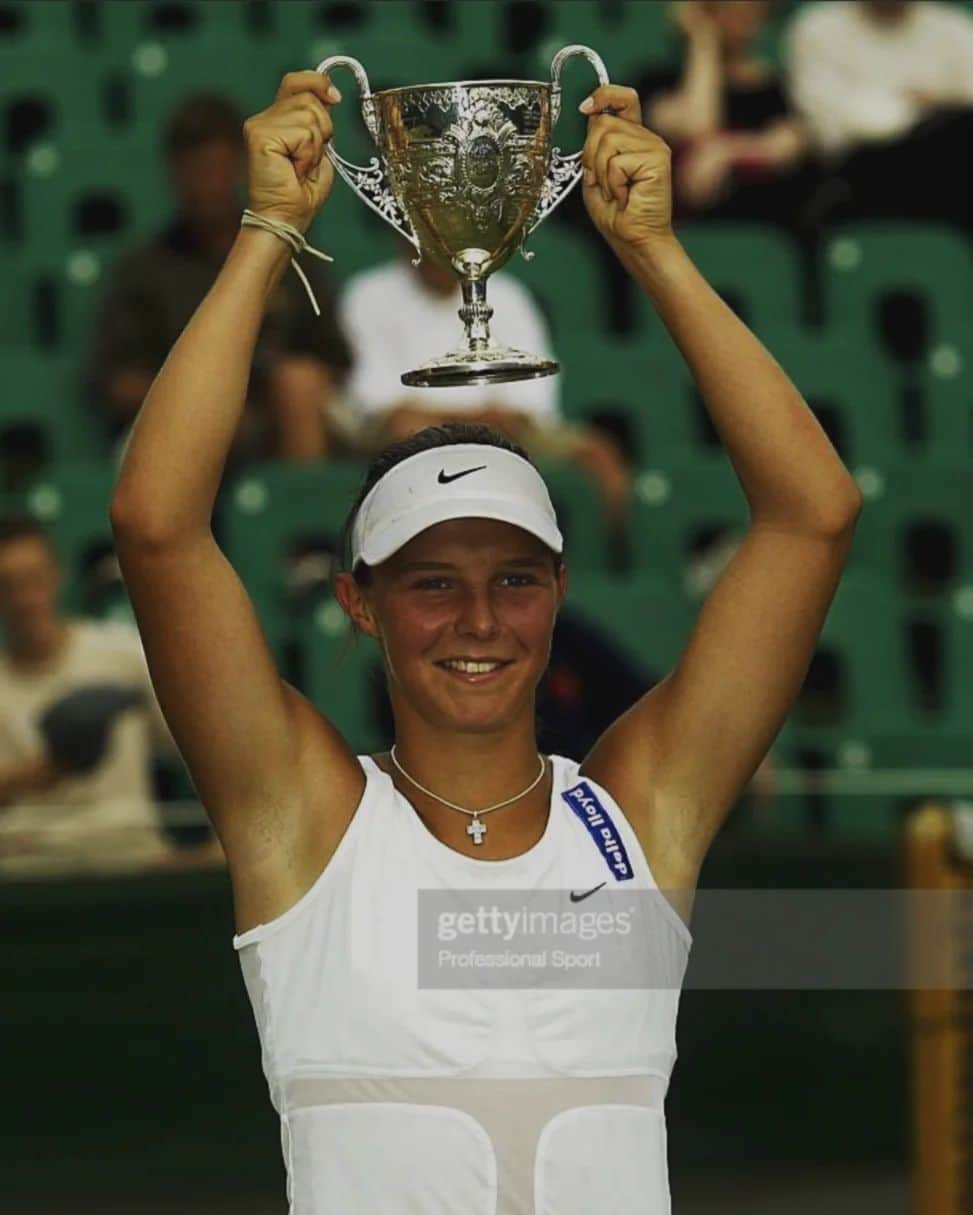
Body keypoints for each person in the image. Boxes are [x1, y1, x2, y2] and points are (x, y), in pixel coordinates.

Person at [108, 69, 861, 1211]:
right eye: (430, 582)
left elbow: (815, 515)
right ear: (362, 602)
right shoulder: (301, 821)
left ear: (557, 594)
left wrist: (654, 252)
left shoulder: (637, 817)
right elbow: (157, 530)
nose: (476, 620)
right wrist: (267, 232)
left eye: (512, 579)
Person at [83, 92, 353, 467]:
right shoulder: (143, 269)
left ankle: (303, 514)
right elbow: (117, 382)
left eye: (215, 168)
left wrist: (275, 387)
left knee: (299, 384)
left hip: (282, 416)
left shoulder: (291, 254)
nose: (206, 185)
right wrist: (210, 402)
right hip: (180, 419)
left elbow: (335, 361)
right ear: (173, 173)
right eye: (194, 171)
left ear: (241, 167)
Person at [338, 242, 634, 542]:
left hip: (502, 423)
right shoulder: (368, 293)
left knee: (600, 453)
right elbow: (376, 395)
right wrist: (462, 418)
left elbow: (533, 385)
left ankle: (612, 562)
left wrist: (498, 417)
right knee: (406, 427)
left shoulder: (508, 293)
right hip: (413, 427)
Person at [0, 515, 222, 877]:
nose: (24, 599)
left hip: (130, 863)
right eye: (7, 586)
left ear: (57, 576)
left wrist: (221, 845)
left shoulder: (123, 657)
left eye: (33, 580)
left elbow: (205, 745)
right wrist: (44, 771)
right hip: (25, 874)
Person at [786, 0, 973, 233]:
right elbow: (831, 130)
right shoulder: (818, 28)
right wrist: (919, 107)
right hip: (856, 178)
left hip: (948, 179)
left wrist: (935, 110)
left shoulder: (956, 28)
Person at [639, 0, 815, 230]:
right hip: (685, 227)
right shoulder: (660, 82)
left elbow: (788, 146)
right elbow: (698, 127)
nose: (743, 16)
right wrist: (703, 43)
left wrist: (725, 151)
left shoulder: (776, 89)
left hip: (763, 224)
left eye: (751, 9)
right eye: (730, 8)